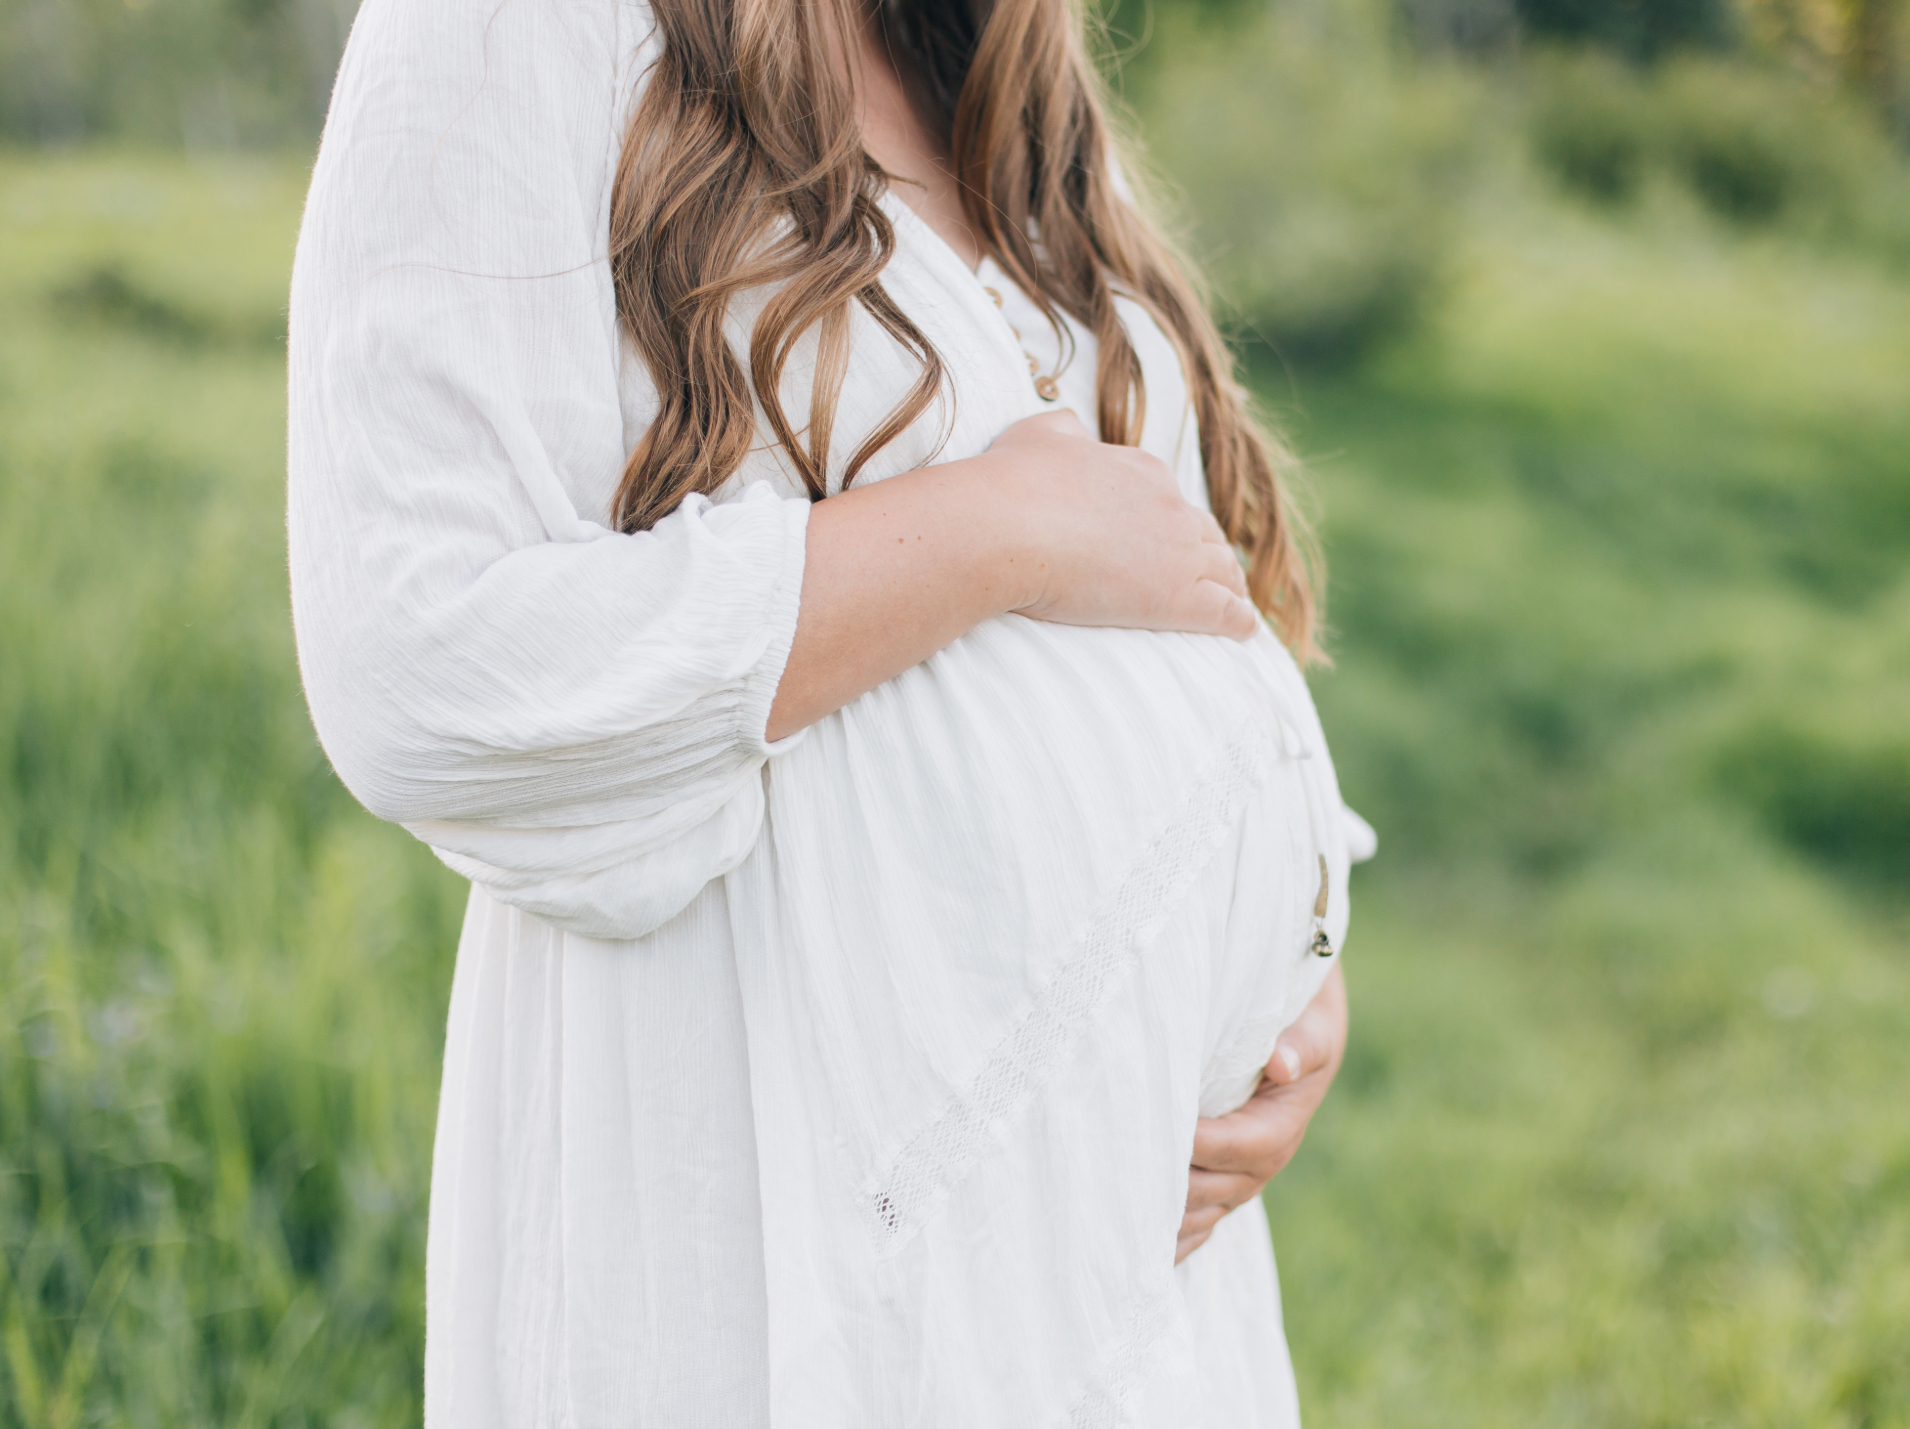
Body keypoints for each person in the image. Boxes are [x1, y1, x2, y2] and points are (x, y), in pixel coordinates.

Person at [286, 0, 1374, 1421]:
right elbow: (421, 664)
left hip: (1121, 1260)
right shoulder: (519, 25)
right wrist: (991, 531)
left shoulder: (990, 55)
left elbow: (1163, 564)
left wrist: (1293, 961)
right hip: (774, 1218)